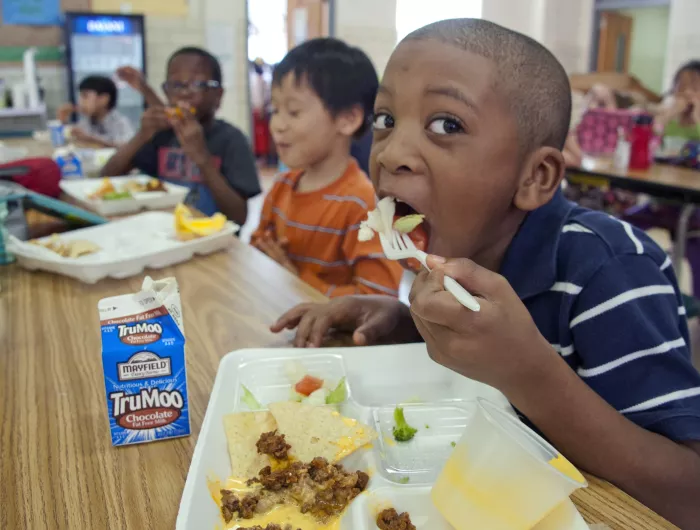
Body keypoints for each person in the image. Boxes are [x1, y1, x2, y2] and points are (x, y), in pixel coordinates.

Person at [270, 19, 700, 527]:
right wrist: (403, 323)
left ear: (534, 177)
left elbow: (688, 494)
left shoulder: (612, 270)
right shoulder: (465, 250)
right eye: (386, 119)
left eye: (447, 125)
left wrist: (527, 373)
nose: (391, 153)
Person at [251, 38, 402, 298]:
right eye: (275, 110)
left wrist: (296, 279)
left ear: (347, 119)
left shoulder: (362, 205)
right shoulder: (282, 186)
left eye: (293, 112)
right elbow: (258, 249)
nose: (277, 124)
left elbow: (377, 299)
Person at [101, 47, 260, 223]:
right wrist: (141, 135)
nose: (184, 93)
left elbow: (239, 217)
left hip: (213, 239)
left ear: (218, 95)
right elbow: (107, 177)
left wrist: (202, 159)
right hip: (163, 232)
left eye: (198, 84)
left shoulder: (232, 140)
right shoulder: (161, 135)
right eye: (176, 85)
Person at [57, 75, 134, 147]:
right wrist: (63, 121)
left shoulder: (120, 122)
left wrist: (93, 140)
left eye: (85, 96)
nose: (80, 102)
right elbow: (71, 142)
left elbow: (128, 147)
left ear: (104, 99)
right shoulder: (86, 121)